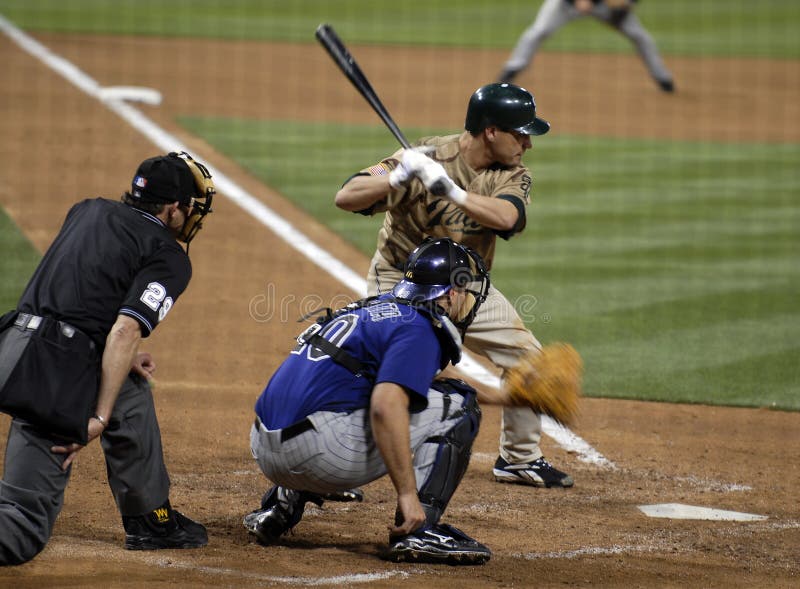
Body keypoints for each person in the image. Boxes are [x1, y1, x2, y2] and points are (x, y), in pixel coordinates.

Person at [334, 82, 574, 489]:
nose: (527, 144)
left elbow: (508, 219)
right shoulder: (425, 156)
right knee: (375, 363)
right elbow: (346, 196)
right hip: (400, 280)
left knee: (529, 359)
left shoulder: (511, 174)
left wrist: (452, 191)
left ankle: (519, 459)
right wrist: (398, 178)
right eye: (520, 133)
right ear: (491, 131)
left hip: (464, 285)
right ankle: (342, 466)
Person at [0, 151, 214, 565]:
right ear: (172, 209)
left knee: (128, 390)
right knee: (22, 527)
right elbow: (125, 329)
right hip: (50, 375)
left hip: (13, 344)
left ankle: (149, 517)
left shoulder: (88, 210)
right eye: (188, 207)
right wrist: (96, 417)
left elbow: (81, 290)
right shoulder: (170, 256)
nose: (191, 215)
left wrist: (116, 355)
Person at [245, 238, 499, 564]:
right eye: (465, 290)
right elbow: (385, 406)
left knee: (345, 392)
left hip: (265, 451)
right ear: (451, 293)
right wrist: (407, 495)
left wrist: (507, 397)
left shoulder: (375, 311)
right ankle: (419, 531)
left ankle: (278, 508)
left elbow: (425, 375)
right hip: (319, 456)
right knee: (459, 405)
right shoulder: (420, 328)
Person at [497, 0, 675, 93]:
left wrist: (626, 5)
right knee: (539, 31)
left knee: (640, 36)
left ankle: (663, 78)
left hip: (605, 6)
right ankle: (513, 68)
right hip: (565, 5)